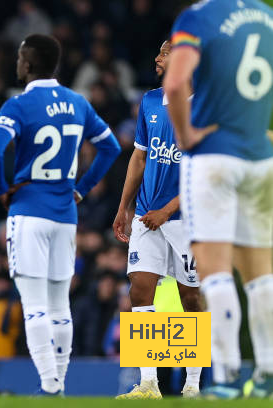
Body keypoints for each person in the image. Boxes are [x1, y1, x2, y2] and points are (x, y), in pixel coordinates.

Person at [0, 34, 121, 395]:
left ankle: (48, 384)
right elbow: (111, 146)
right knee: (61, 304)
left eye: (19, 58)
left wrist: (1, 190)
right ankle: (59, 382)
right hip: (65, 214)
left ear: (27, 64)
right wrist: (81, 188)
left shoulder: (17, 105)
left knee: (34, 305)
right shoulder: (78, 102)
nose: (16, 63)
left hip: (29, 211)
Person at [164, 0, 273, 399]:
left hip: (212, 155)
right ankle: (266, 372)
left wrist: (186, 135)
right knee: (262, 275)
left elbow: (176, 83)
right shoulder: (267, 17)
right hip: (260, 158)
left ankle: (225, 377)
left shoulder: (199, 17)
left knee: (215, 269)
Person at [113, 40, 202, 400]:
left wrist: (167, 210)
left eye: (165, 53)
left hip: (189, 219)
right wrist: (124, 206)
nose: (157, 58)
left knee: (191, 297)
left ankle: (192, 386)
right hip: (147, 215)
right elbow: (139, 157)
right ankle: (148, 383)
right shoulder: (150, 101)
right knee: (139, 288)